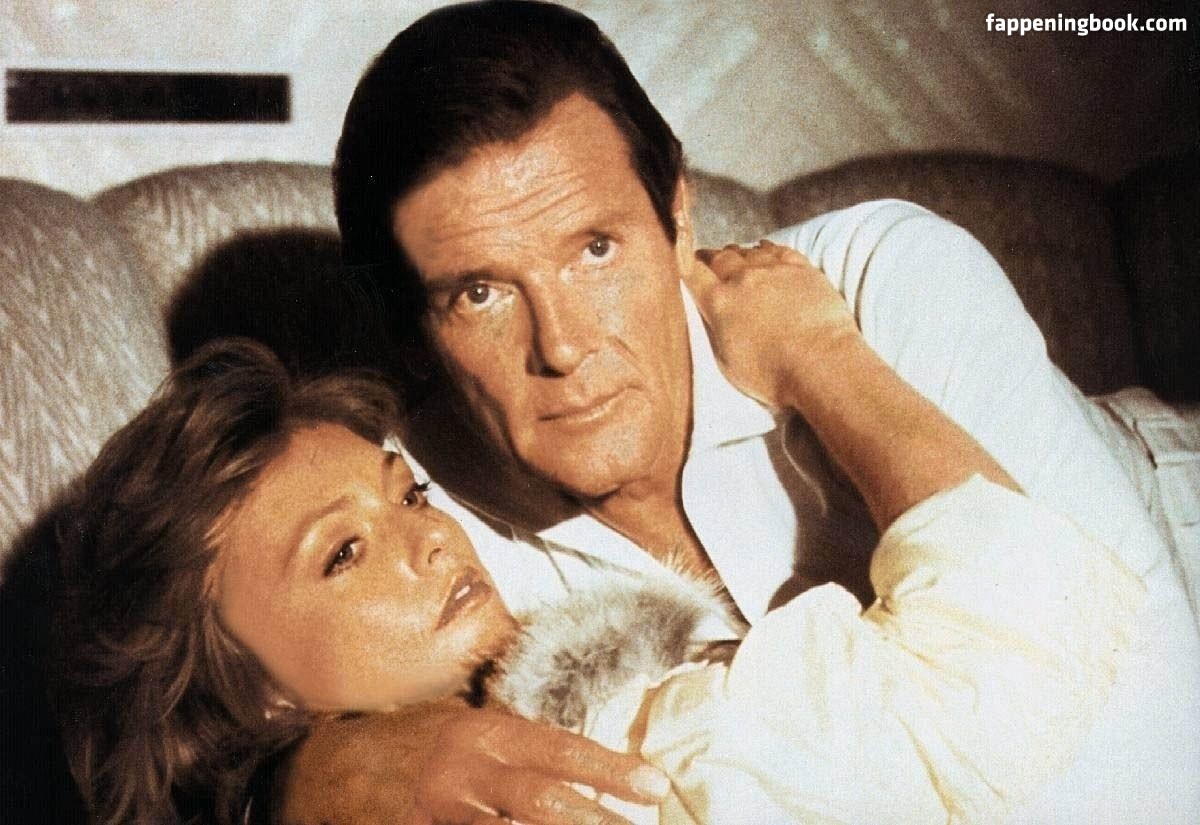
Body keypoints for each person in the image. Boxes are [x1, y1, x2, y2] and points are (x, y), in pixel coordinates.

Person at [289, 1, 1200, 822]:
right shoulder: (419, 519)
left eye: (596, 249)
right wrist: (302, 777)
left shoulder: (879, 282)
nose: (562, 347)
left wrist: (821, 361)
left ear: (678, 217)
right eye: (481, 294)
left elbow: (1142, 766)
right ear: (413, 338)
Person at [50, 340, 1144, 825]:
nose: (431, 541)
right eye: (343, 553)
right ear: (255, 692)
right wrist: (818, 349)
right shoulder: (600, 754)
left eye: (409, 495)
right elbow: (1014, 642)